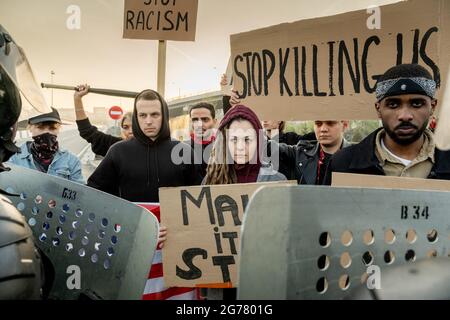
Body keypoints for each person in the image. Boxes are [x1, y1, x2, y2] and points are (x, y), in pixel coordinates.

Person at [324, 63, 450, 184]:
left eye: (416, 104)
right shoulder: (343, 162)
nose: (405, 116)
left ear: (432, 107)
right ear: (378, 109)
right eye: (393, 104)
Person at [87, 89, 202, 202]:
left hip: (174, 220)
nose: (148, 121)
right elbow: (95, 191)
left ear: (165, 116)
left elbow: (200, 196)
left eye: (155, 115)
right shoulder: (118, 151)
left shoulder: (184, 151)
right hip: (131, 221)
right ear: (136, 118)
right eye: (142, 115)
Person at [204, 104, 286, 185]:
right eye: (234, 140)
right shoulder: (211, 178)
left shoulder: (277, 181)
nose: (240, 147)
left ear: (258, 142)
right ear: (225, 142)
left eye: (247, 140)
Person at [8, 108, 84, 183]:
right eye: (40, 127)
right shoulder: (13, 157)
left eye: (52, 128)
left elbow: (80, 192)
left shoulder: (72, 161)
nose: (47, 132)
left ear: (58, 129)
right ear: (30, 128)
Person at [268, 120, 350, 185]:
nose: (323, 129)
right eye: (318, 123)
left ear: (345, 125)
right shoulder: (300, 153)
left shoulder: (359, 158)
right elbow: (266, 146)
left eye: (330, 123)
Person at [74, 84, 133, 157]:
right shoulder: (116, 146)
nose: (130, 131)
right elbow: (87, 131)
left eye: (135, 127)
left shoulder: (150, 147)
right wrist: (77, 98)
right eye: (126, 127)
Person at [188, 102, 217, 177]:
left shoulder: (225, 147)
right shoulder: (183, 149)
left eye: (205, 119)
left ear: (214, 122)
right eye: (195, 120)